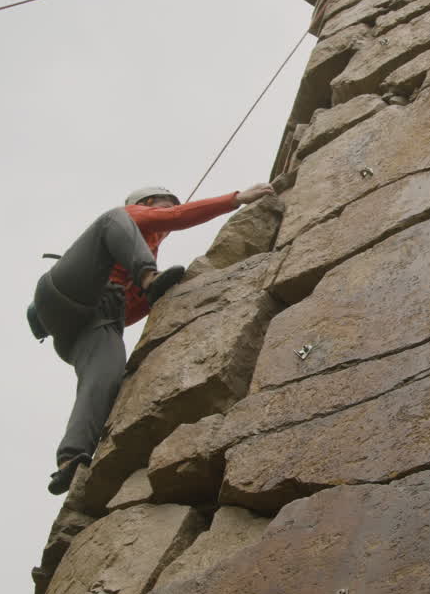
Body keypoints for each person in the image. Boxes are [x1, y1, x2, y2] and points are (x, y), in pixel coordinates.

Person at [27, 182, 276, 494]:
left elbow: (128, 316)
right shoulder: (127, 218)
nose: (168, 215)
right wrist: (236, 199)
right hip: (65, 291)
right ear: (145, 203)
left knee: (105, 379)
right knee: (113, 221)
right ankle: (148, 278)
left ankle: (70, 460)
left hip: (90, 325)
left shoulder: (134, 255)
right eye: (164, 205)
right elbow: (176, 216)